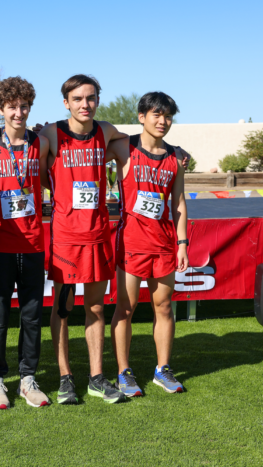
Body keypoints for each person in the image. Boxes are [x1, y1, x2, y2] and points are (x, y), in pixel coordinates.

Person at [37, 74, 129, 404]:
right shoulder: (51, 133)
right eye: (77, 99)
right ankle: (65, 378)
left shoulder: (105, 131)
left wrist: (175, 151)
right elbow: (33, 162)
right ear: (66, 103)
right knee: (62, 309)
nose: (84, 104)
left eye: (90, 98)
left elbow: (138, 141)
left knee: (95, 308)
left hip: (98, 234)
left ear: (97, 101)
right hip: (65, 236)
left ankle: (96, 377)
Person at [109, 92, 189, 396]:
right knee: (125, 309)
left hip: (164, 243)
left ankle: (162, 369)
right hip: (131, 242)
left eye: (167, 116)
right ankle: (123, 372)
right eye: (156, 115)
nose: (163, 121)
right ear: (142, 116)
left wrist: (182, 243)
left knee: (164, 307)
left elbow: (178, 201)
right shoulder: (123, 147)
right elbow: (91, 143)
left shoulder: (175, 158)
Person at [0, 77, 51, 409]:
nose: (19, 113)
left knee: (32, 315)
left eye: (24, 106)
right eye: (12, 107)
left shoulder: (42, 142)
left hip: (34, 243)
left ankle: (27, 378)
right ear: (0, 109)